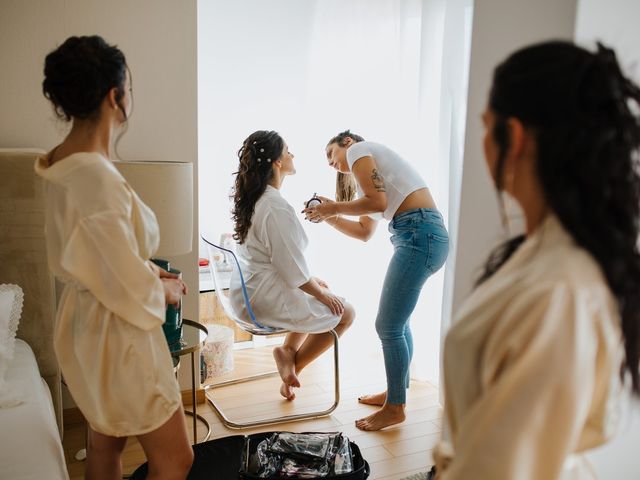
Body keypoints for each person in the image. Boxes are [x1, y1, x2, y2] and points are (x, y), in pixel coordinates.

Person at [432, 41, 640, 479]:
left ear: (516, 135)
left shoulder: (560, 292)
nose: (482, 141)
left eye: (486, 127)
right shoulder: (544, 253)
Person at [35, 36, 193, 479]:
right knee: (176, 459)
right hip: (119, 335)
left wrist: (146, 271)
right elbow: (118, 278)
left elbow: (99, 251)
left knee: (106, 446)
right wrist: (162, 290)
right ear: (114, 96)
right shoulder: (93, 176)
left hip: (87, 328)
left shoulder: (60, 163)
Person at [303, 131, 449, 431]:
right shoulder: (372, 171)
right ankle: (396, 394)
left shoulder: (360, 150)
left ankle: (395, 408)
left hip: (418, 234)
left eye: (330, 155)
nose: (331, 164)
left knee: (388, 325)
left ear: (346, 142)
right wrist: (329, 215)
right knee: (399, 323)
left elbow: (377, 201)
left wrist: (332, 207)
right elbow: (364, 232)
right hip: (422, 234)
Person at [230, 130, 355, 401]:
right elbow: (292, 271)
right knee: (346, 313)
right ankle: (293, 365)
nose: (292, 155)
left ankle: (287, 352)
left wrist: (313, 282)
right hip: (262, 300)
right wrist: (320, 293)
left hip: (248, 292)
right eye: (288, 150)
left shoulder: (254, 199)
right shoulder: (274, 206)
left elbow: (281, 261)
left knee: (316, 286)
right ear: (276, 161)